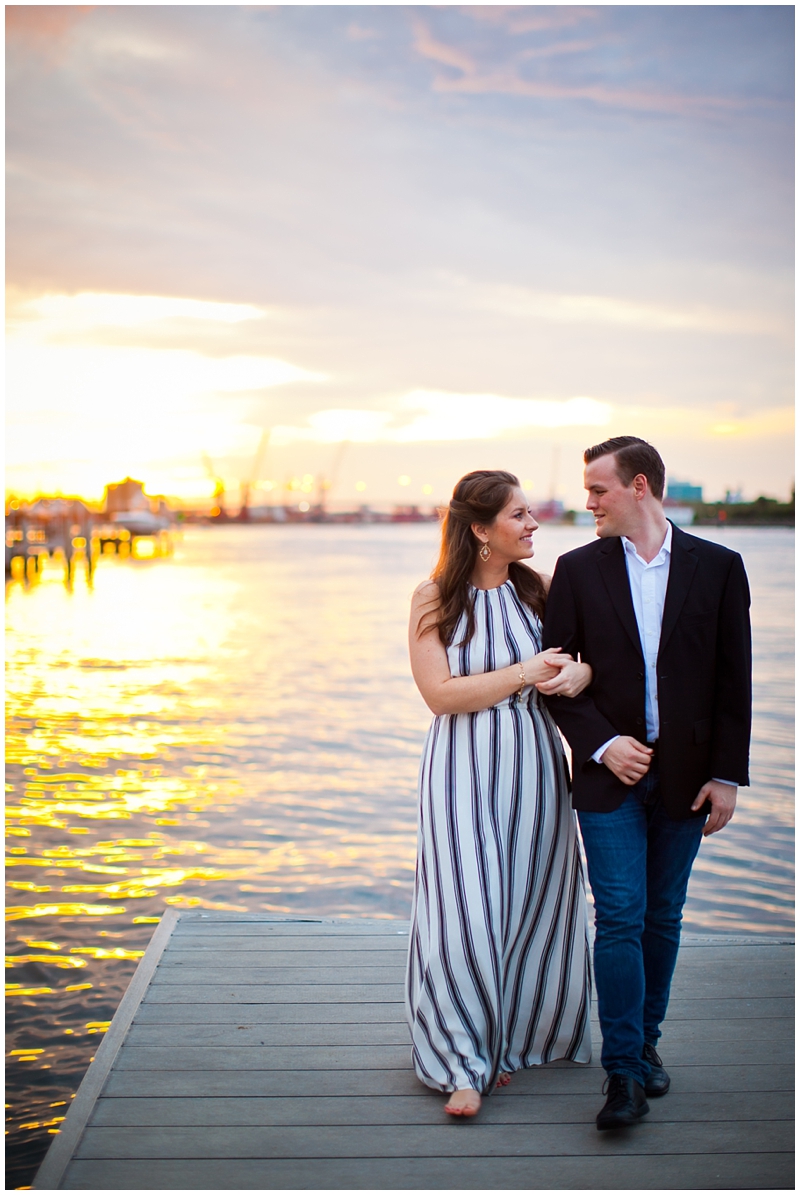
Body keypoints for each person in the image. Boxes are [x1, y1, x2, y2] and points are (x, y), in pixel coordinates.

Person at [542, 436, 751, 1130]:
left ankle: (648, 1040)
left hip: (689, 779)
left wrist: (726, 775)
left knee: (663, 913)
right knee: (621, 914)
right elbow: (555, 680)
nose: (588, 502)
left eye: (597, 489)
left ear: (639, 486)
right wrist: (602, 743)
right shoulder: (575, 570)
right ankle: (624, 1072)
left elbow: (733, 682)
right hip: (608, 779)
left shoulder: (721, 567)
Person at [405, 469, 593, 1118]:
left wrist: (573, 674)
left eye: (531, 512)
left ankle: (509, 1041)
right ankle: (461, 1062)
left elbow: (583, 663)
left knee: (527, 899)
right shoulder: (434, 598)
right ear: (481, 530)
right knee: (466, 905)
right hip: (461, 767)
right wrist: (523, 673)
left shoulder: (540, 592)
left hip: (536, 765)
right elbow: (440, 695)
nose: (534, 522)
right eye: (519, 514)